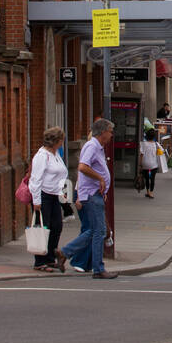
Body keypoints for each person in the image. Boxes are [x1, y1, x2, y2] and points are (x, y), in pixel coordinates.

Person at [60, 118, 118, 279]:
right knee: (99, 231)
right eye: (110, 131)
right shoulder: (92, 146)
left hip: (95, 194)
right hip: (91, 195)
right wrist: (100, 179)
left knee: (94, 231)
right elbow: (82, 167)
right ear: (103, 132)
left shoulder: (98, 148)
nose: (112, 135)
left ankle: (65, 252)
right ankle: (98, 268)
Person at [28, 126, 69, 272]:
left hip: (54, 196)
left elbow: (61, 174)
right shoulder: (42, 156)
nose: (62, 143)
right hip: (43, 196)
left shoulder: (56, 154)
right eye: (61, 140)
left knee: (57, 226)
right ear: (56, 141)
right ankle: (40, 261)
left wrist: (63, 192)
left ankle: (50, 257)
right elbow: (35, 180)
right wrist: (36, 201)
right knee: (43, 228)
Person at [138, 128, 160, 199]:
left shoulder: (143, 144)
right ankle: (151, 192)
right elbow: (161, 152)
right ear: (154, 136)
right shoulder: (156, 144)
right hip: (153, 164)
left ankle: (147, 191)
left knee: (147, 178)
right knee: (152, 179)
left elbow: (141, 154)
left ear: (146, 136)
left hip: (145, 164)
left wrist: (140, 164)